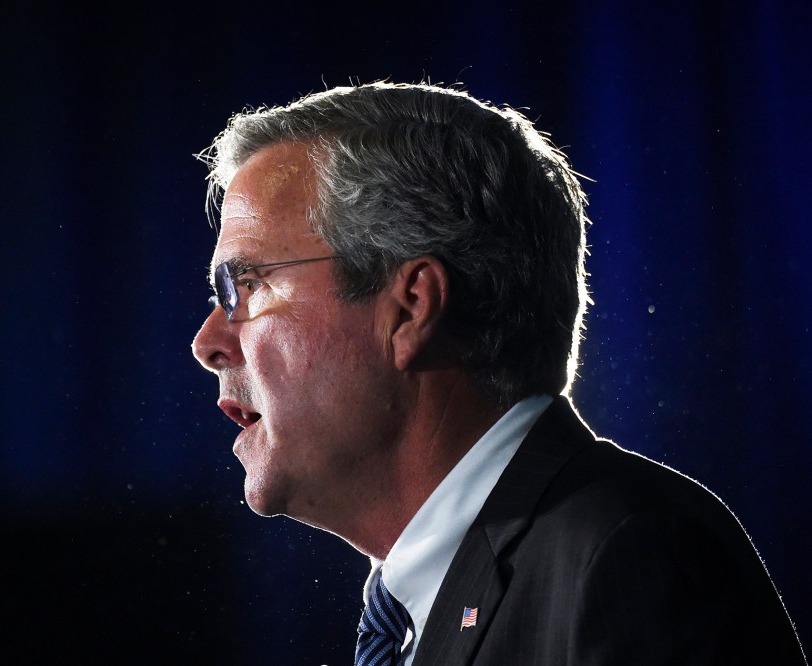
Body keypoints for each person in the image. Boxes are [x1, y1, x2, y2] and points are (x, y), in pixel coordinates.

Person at [190, 82, 806, 665]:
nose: (207, 342)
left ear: (409, 307)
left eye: (246, 285)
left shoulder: (632, 556)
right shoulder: (426, 607)